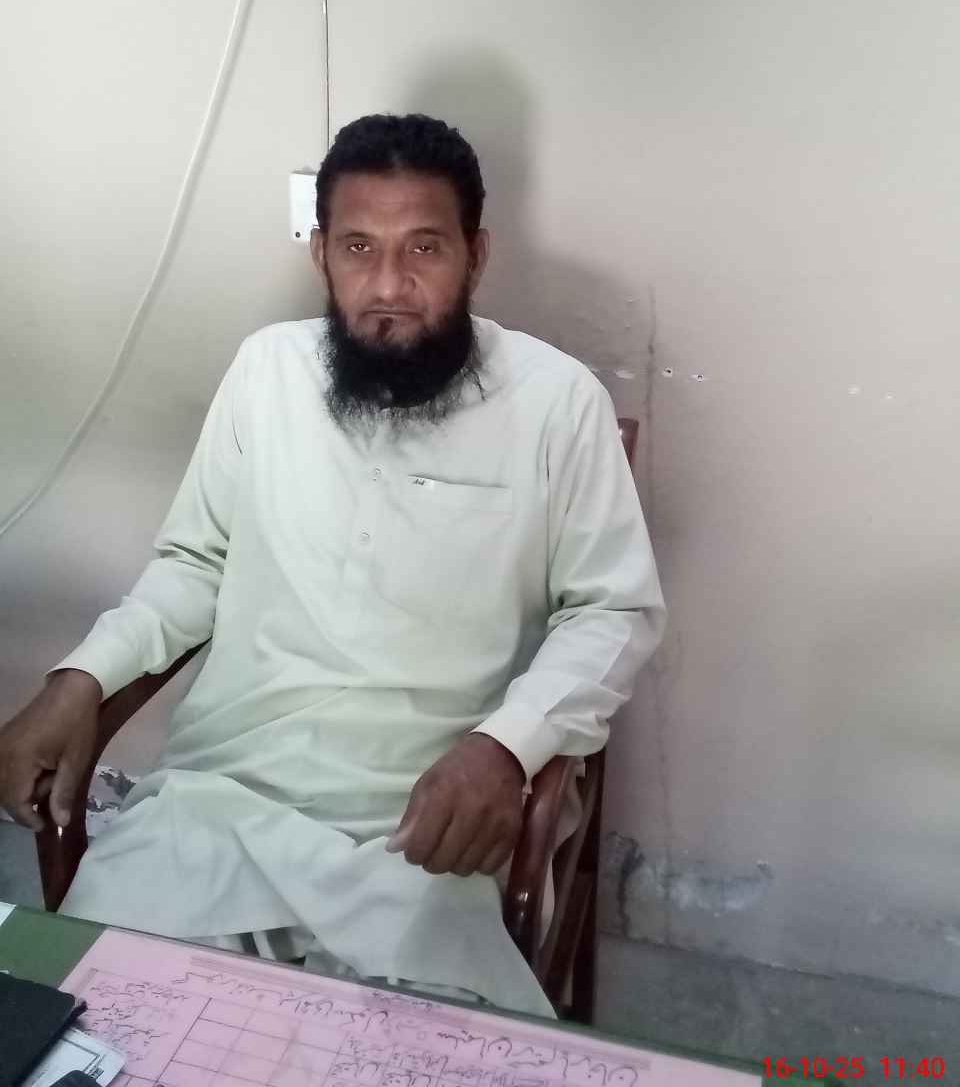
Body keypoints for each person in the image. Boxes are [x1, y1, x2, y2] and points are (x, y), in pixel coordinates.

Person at [0, 113, 665, 1016]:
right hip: (221, 805)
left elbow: (611, 610)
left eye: (424, 247)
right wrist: (80, 678)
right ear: (321, 253)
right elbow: (195, 562)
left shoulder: (556, 403)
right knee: (95, 1028)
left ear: (476, 254)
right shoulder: (266, 373)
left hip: (427, 827)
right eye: (358, 247)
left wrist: (507, 748)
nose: (389, 285)